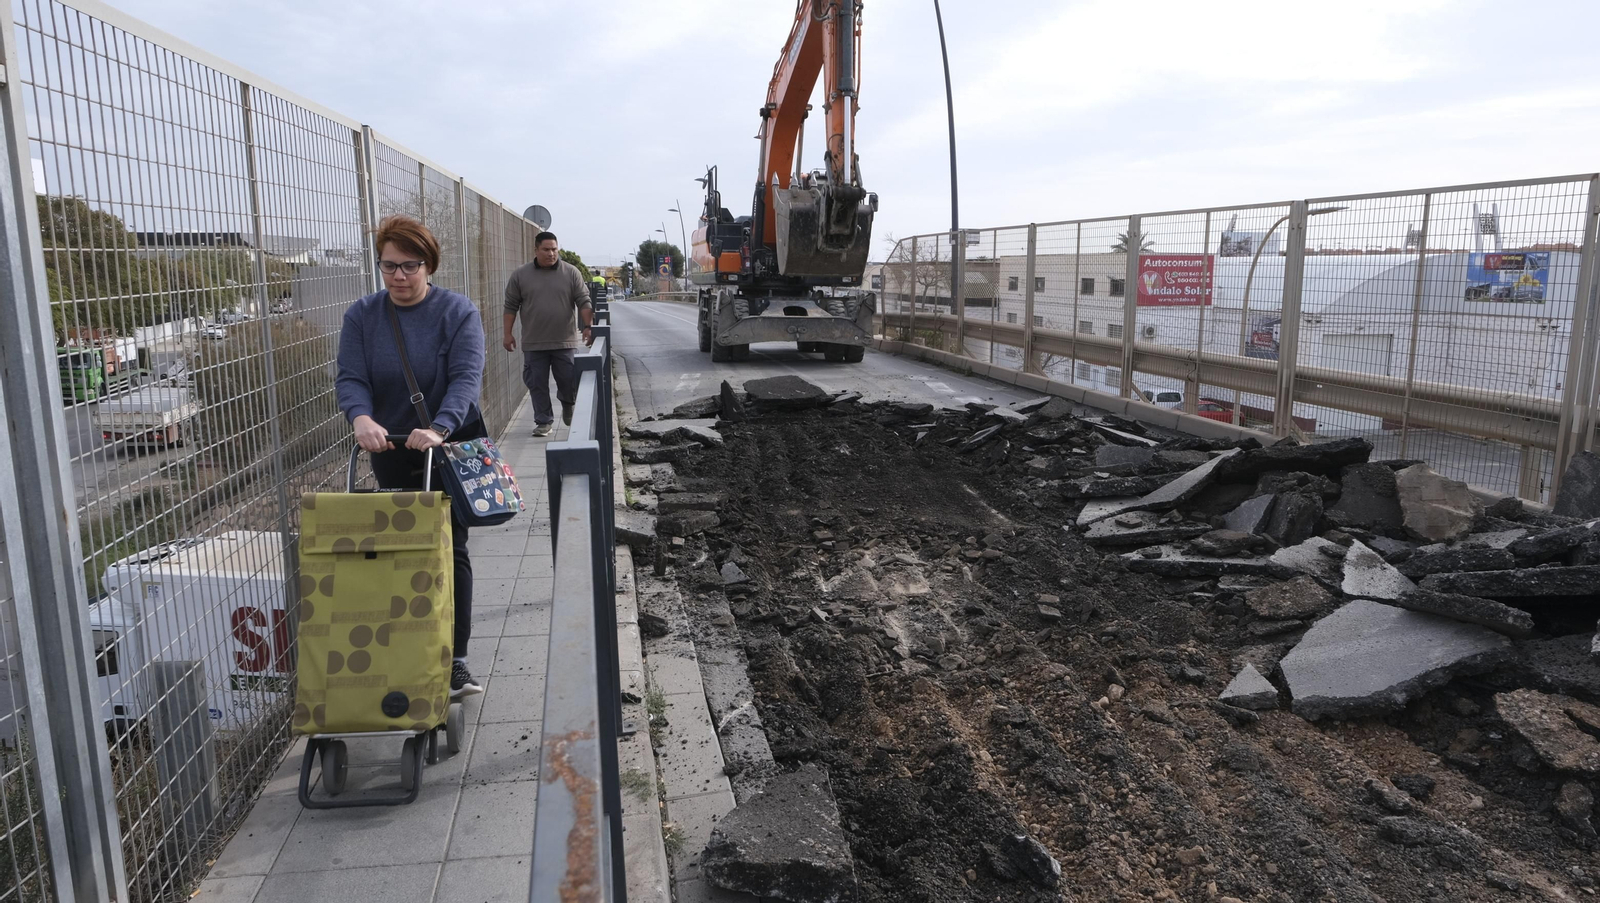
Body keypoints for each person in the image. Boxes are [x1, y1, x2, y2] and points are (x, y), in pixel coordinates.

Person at [336, 215, 487, 698]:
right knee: (400, 551)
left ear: (429, 264)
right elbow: (351, 376)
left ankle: (455, 659)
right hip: (390, 445)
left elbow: (466, 377)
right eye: (389, 267)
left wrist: (440, 426)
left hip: (446, 446)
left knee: (449, 547)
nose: (399, 277)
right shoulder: (363, 315)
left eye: (410, 266)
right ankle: (406, 650)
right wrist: (360, 417)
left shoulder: (457, 312)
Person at [502, 232, 593, 437]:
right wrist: (507, 334)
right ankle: (543, 421)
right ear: (536, 250)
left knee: (568, 380)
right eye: (546, 249)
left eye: (554, 249)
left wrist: (589, 326)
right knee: (537, 383)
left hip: (565, 341)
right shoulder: (520, 275)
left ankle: (568, 403)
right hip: (534, 342)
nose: (551, 253)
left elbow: (583, 301)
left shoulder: (571, 273)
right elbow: (510, 306)